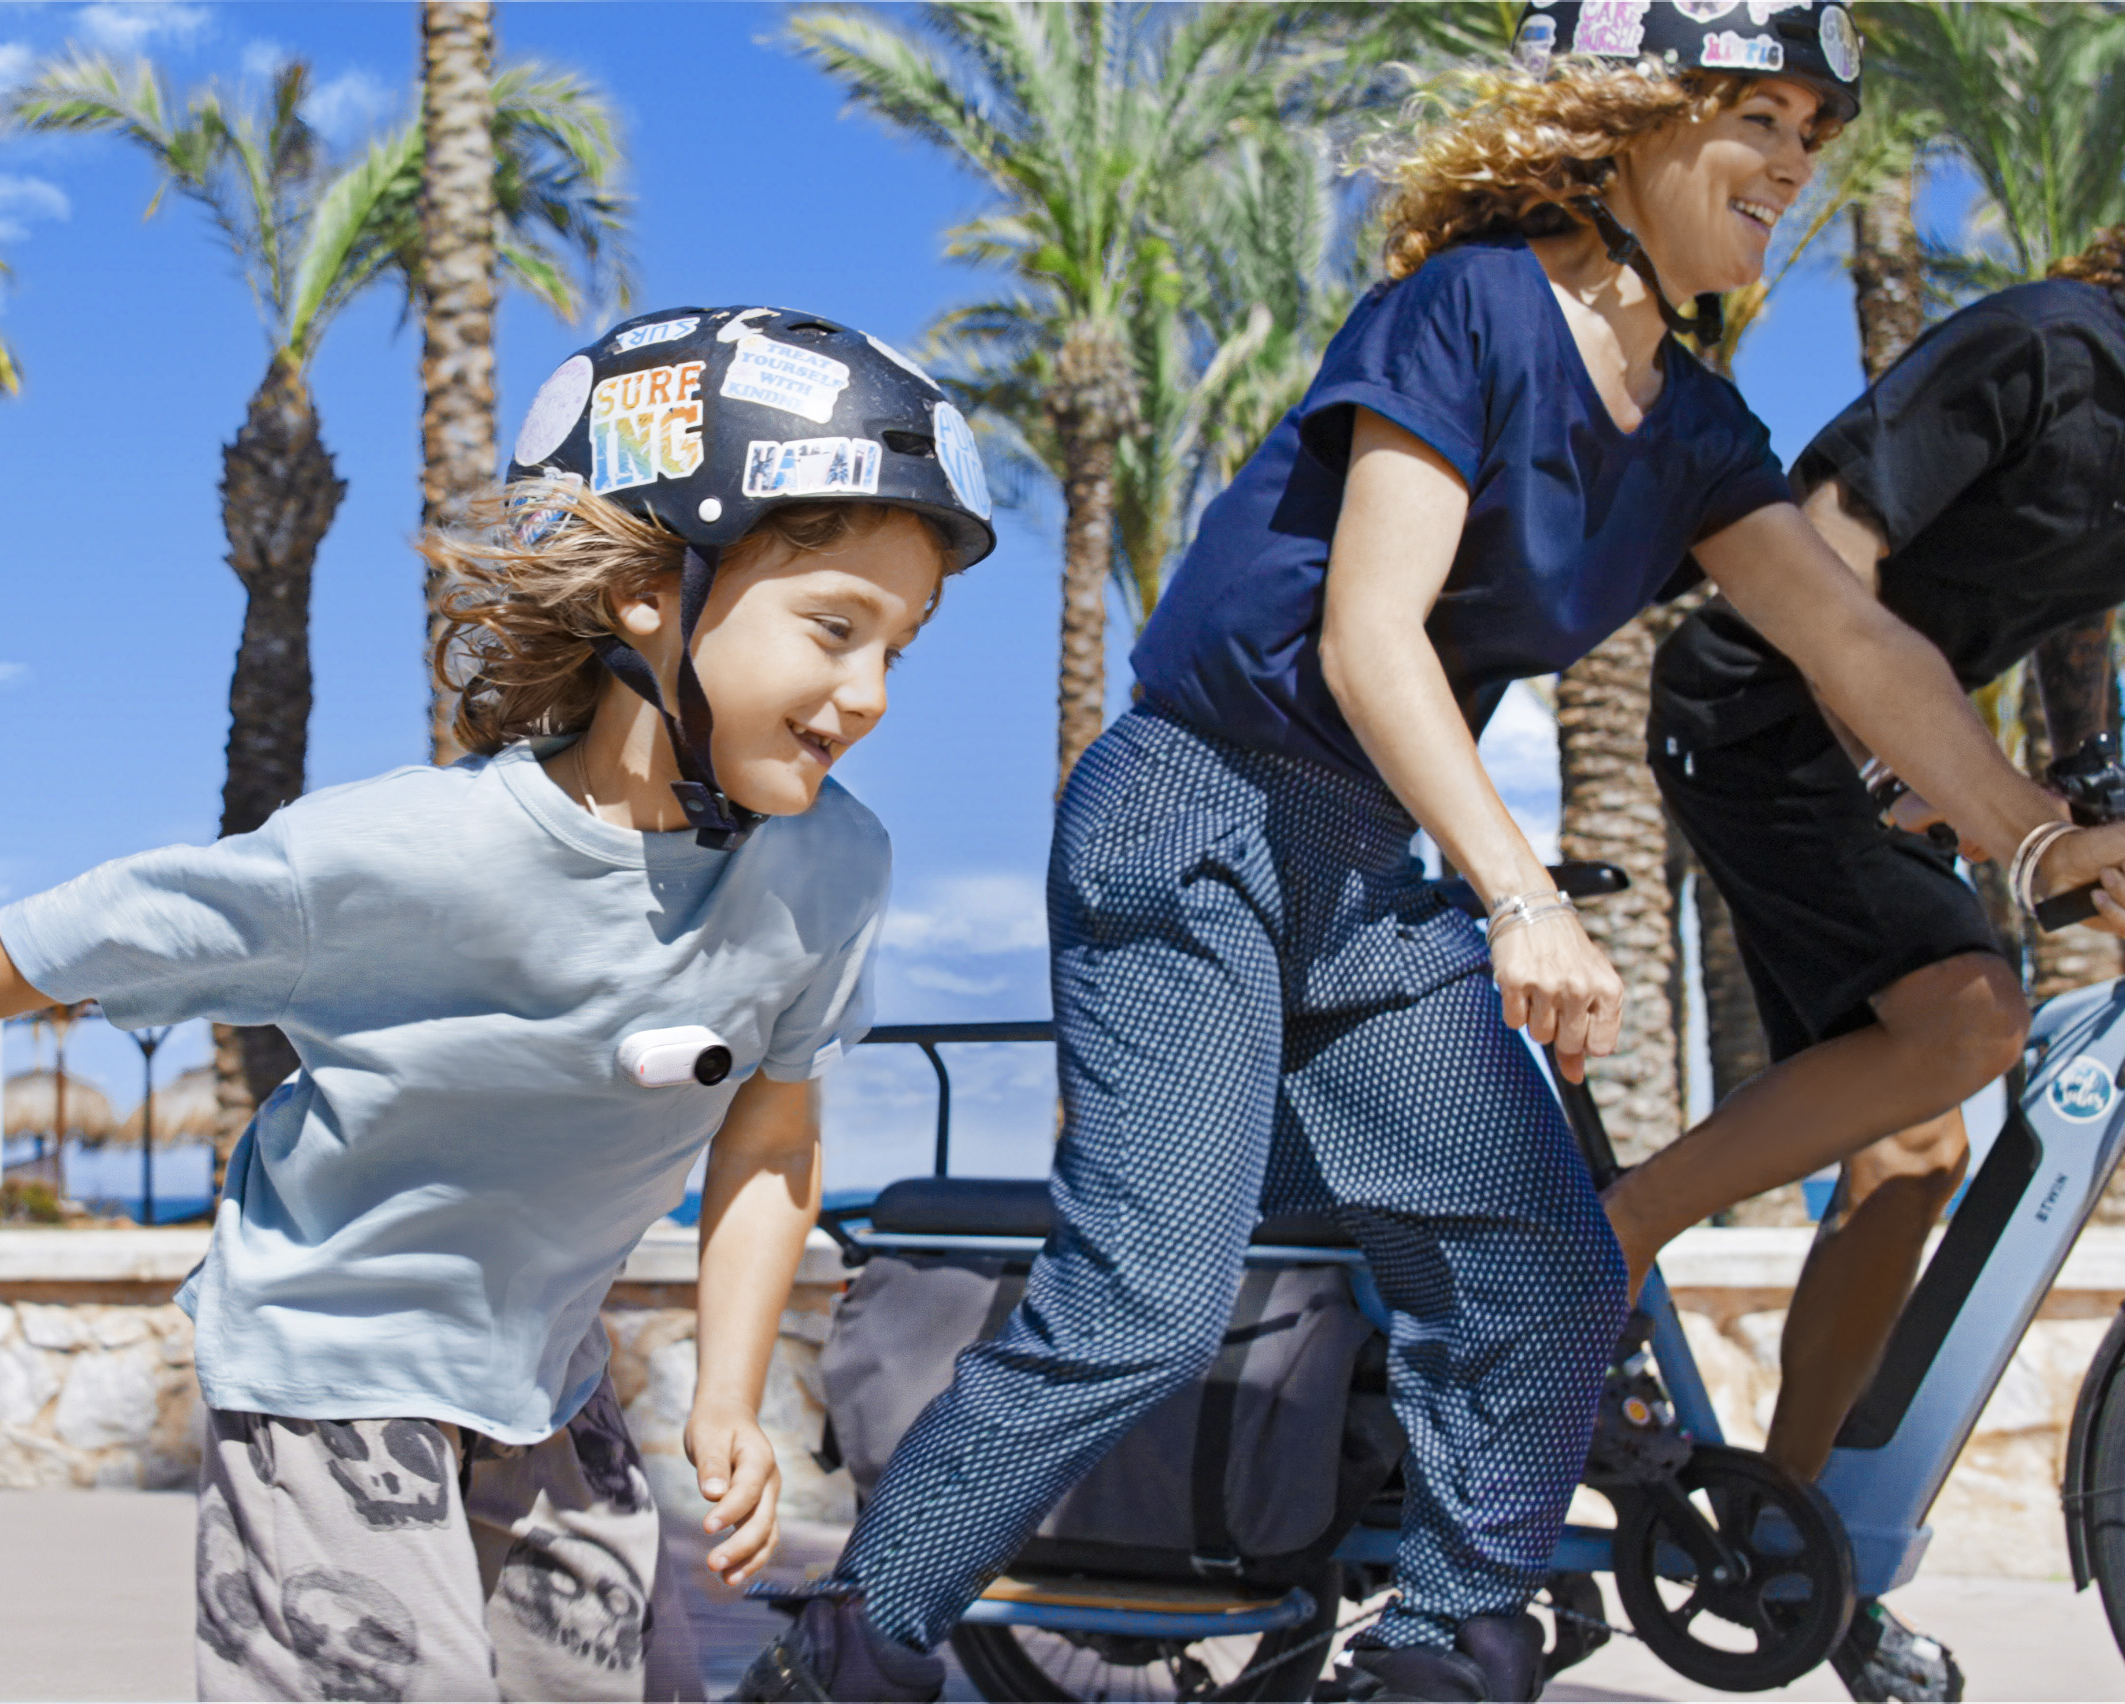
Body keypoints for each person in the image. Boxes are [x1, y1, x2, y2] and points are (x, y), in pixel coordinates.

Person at [742, 9, 2125, 1703]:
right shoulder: (1464, 309)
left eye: (1812, 136)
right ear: (1627, 124)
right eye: (1753, 115)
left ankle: (1439, 1659)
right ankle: (850, 1647)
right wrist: (1521, 893)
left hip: (1367, 862)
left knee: (1542, 1278)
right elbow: (1367, 639)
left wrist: (2038, 835)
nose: (1790, 165)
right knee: (1146, 1303)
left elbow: (1858, 646)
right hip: (1198, 807)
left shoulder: (1692, 427)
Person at [0, 306, 1001, 1704]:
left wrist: (726, 1393)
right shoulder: (406, 855)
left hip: (541, 1376)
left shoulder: (831, 869)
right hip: (331, 1361)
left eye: (903, 646)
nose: (871, 693)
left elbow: (771, 1134)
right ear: (653, 588)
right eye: (835, 628)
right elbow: (87, 927)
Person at [1610, 223, 2125, 1701]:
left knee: (1909, 1152)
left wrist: (2080, 802)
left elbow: (2066, 617)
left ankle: (1790, 1556)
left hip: (1895, 758)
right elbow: (1825, 554)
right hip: (1763, 714)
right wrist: (1965, 803)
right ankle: (1606, 1238)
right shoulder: (2041, 345)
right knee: (1968, 1016)